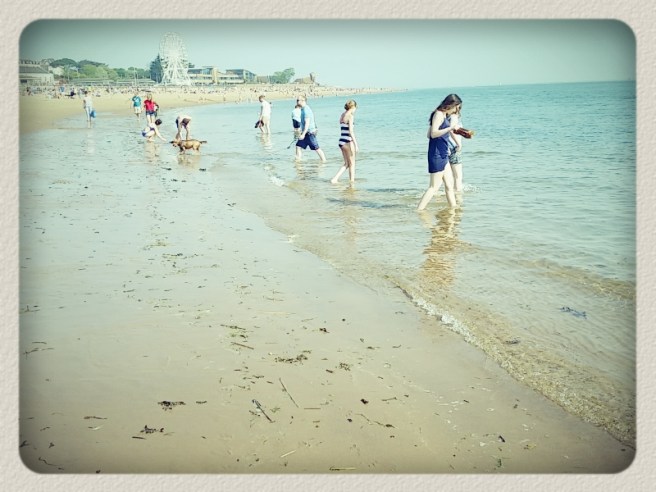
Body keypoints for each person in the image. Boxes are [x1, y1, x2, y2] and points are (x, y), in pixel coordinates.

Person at [416, 94, 462, 211]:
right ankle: (419, 210)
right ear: (451, 105)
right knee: (433, 187)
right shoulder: (438, 114)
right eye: (456, 107)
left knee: (449, 185)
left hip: (443, 153)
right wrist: (450, 128)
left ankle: (454, 210)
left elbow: (428, 134)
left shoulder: (444, 115)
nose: (456, 110)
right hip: (436, 154)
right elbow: (432, 134)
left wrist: (457, 142)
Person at [331, 100, 359, 184]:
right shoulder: (350, 116)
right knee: (352, 164)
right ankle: (352, 183)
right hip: (348, 141)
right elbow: (351, 131)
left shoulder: (342, 115)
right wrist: (356, 144)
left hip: (341, 141)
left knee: (347, 164)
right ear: (353, 107)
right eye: (355, 108)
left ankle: (335, 179)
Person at [295, 95, 326, 162]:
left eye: (298, 100)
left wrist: (303, 134)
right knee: (298, 146)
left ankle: (324, 162)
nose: (296, 102)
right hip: (306, 133)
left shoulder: (306, 110)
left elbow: (307, 123)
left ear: (303, 101)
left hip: (309, 133)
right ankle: (298, 161)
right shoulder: (303, 109)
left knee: (316, 148)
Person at [448, 102, 464, 193]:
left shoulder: (446, 116)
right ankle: (458, 196)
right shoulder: (454, 117)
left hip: (446, 147)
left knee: (448, 175)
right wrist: (459, 144)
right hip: (454, 147)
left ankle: (449, 193)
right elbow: (451, 130)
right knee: (458, 176)